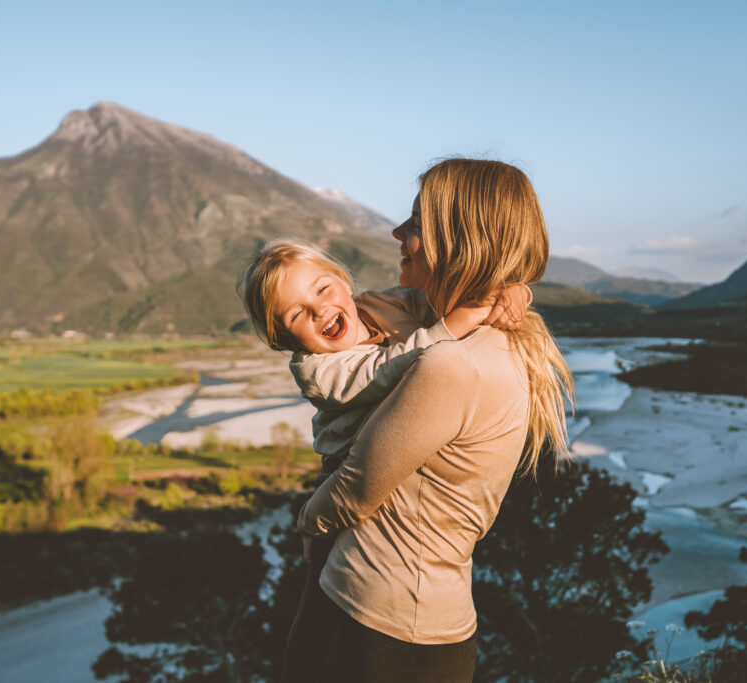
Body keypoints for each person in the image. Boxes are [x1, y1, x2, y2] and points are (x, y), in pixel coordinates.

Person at [295, 158, 574, 682]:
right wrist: (510, 287)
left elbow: (358, 487)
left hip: (378, 614)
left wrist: (307, 521)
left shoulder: (450, 363)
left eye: (417, 222)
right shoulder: (484, 338)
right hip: (423, 613)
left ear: (461, 240)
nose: (397, 233)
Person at [235, 237, 529, 681]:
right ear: (284, 338)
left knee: (316, 618)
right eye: (296, 315)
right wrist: (456, 325)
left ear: (343, 281)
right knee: (312, 624)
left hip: (373, 497)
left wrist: (510, 291)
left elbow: (435, 297)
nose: (319, 310)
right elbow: (389, 368)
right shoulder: (318, 371)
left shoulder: (380, 305)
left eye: (323, 289)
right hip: (342, 480)